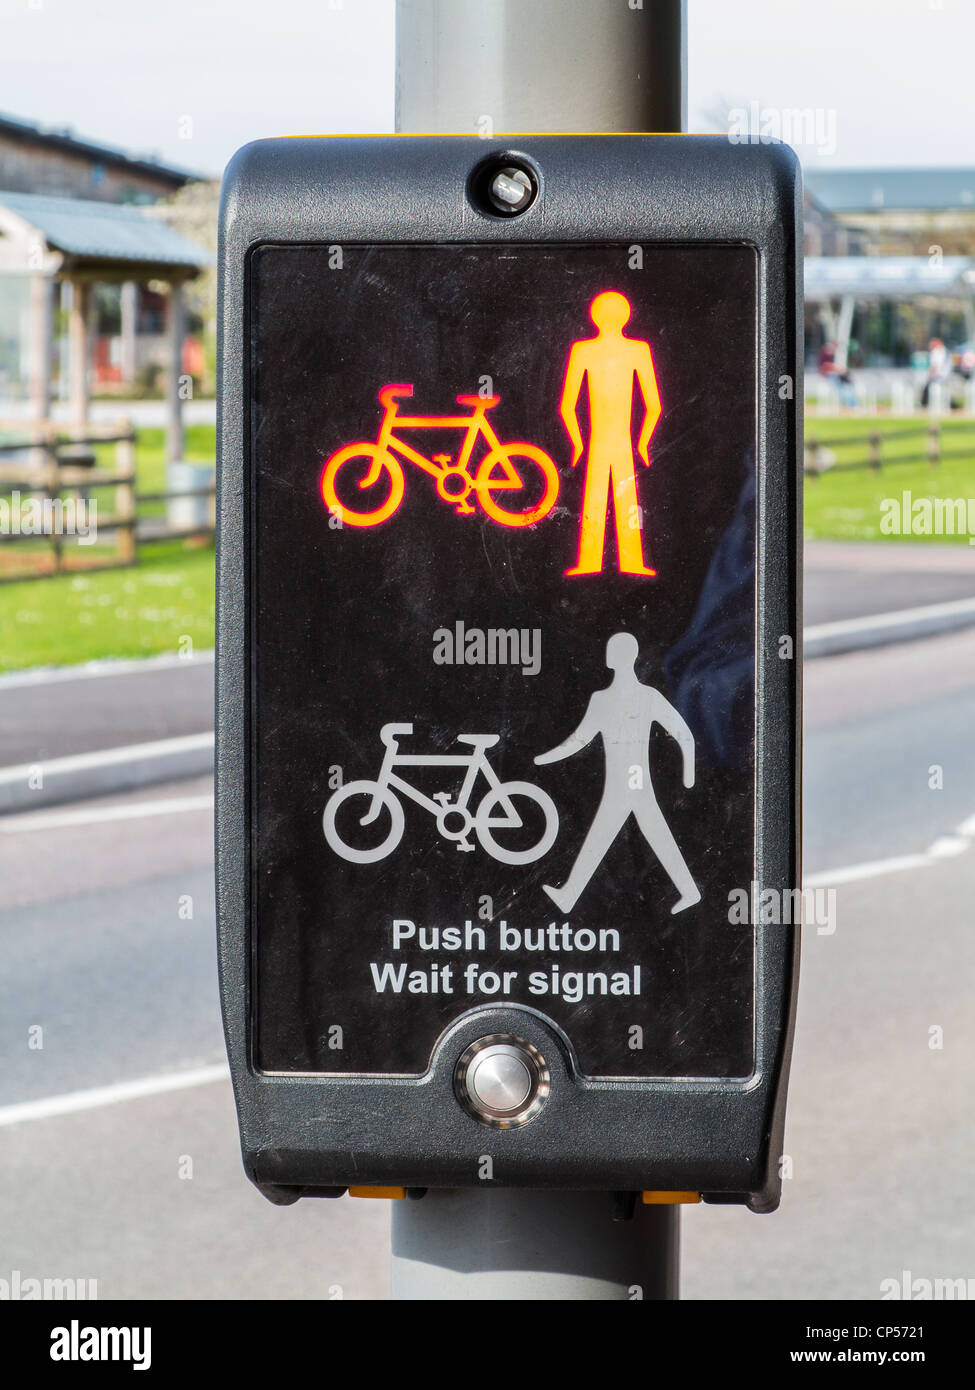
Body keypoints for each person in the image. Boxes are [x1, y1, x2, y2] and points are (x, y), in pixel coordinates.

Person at [535, 632, 701, 915]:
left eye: (612, 650)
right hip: (625, 786)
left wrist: (689, 772)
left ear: (621, 657)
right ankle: (689, 892)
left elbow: (682, 733)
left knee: (613, 837)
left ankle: (570, 895)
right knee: (639, 837)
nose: (608, 654)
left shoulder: (644, 697)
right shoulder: (607, 699)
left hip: (630, 786)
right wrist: (547, 758)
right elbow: (580, 739)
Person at [559, 292, 661, 576]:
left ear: (595, 316)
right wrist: (643, 442)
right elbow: (653, 405)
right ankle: (631, 562)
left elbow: (567, 406)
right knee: (626, 495)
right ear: (626, 315)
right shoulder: (637, 350)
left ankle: (589, 562)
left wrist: (577, 442)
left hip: (597, 441)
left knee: (595, 497)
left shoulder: (584, 350)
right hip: (624, 441)